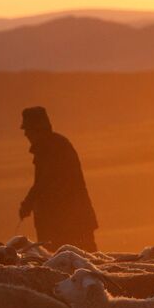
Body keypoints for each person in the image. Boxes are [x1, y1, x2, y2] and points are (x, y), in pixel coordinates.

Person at [18, 106, 99, 252]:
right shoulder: (54, 145)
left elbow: (45, 182)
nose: (26, 134)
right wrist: (29, 204)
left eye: (27, 130)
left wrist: (28, 203)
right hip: (71, 220)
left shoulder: (50, 148)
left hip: (67, 223)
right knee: (84, 256)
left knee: (69, 258)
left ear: (37, 129)